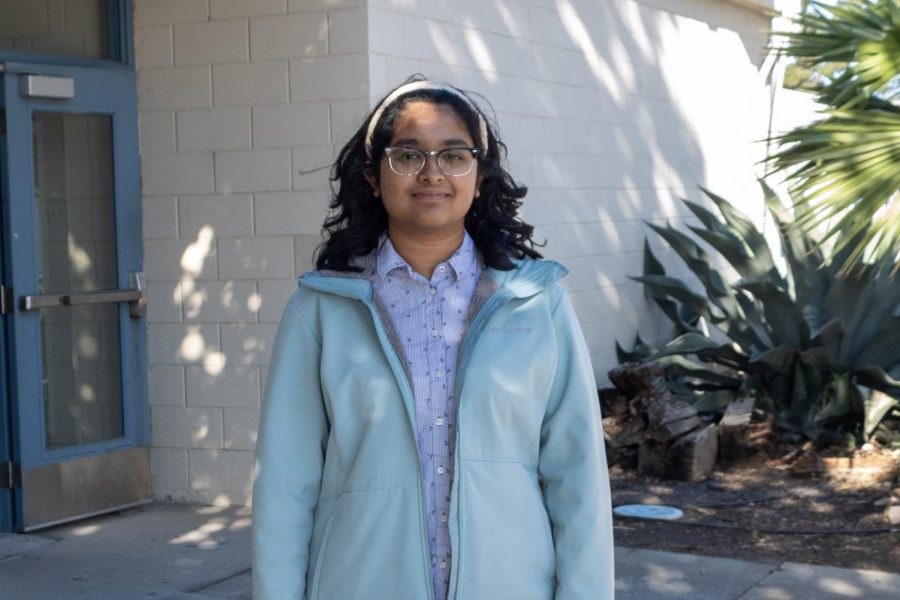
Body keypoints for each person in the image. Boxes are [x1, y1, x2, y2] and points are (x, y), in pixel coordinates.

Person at [252, 77, 614, 600]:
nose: (431, 173)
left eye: (454, 155)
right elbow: (284, 488)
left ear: (480, 176)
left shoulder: (538, 303)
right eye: (407, 155)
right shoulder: (322, 309)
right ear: (374, 177)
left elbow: (577, 477)